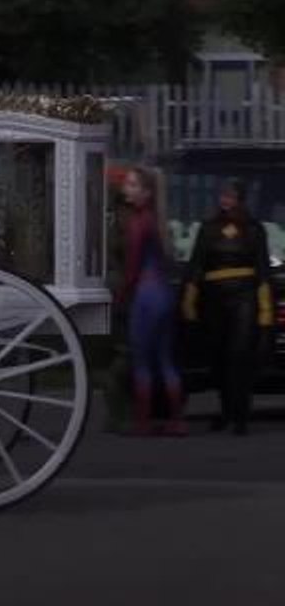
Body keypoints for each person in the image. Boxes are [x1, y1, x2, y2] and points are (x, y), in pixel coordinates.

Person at [182, 178, 273, 435]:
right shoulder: (208, 229)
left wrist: (265, 314)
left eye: (231, 195)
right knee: (218, 357)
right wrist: (189, 302)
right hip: (214, 299)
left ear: (240, 199)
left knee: (239, 356)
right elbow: (197, 266)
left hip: (244, 297)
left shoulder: (254, 229)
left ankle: (240, 416)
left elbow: (263, 271)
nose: (226, 200)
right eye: (223, 195)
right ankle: (226, 412)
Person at [117, 167, 185, 436]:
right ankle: (177, 420)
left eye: (132, 184)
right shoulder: (158, 221)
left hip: (146, 296)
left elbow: (132, 267)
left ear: (145, 192)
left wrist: (122, 295)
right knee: (166, 361)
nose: (126, 188)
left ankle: (143, 421)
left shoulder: (138, 222)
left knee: (142, 362)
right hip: (164, 293)